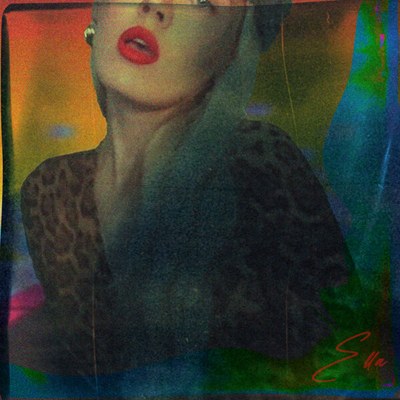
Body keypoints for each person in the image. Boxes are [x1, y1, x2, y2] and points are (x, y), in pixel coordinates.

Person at [9, 0, 352, 395]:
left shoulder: (261, 162)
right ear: (97, 12)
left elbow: (349, 357)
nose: (155, 6)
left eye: (202, 2)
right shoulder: (51, 190)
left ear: (233, 52)